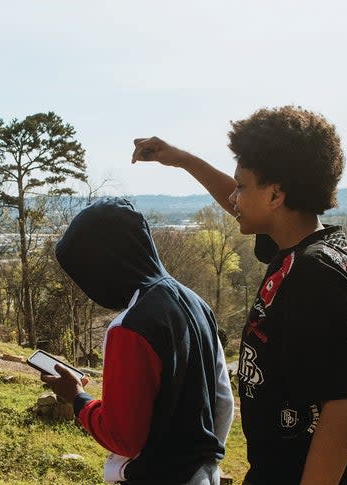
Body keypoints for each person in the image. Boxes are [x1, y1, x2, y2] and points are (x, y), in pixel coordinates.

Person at [131, 106, 347, 485]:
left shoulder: (315, 274)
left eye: (242, 185)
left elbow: (342, 412)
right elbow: (236, 202)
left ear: (276, 194)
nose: (235, 196)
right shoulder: (303, 247)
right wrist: (180, 160)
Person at [42, 197, 234, 485]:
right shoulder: (196, 304)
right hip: (203, 474)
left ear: (103, 263)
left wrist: (77, 398)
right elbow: (223, 401)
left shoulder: (131, 326)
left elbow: (123, 437)